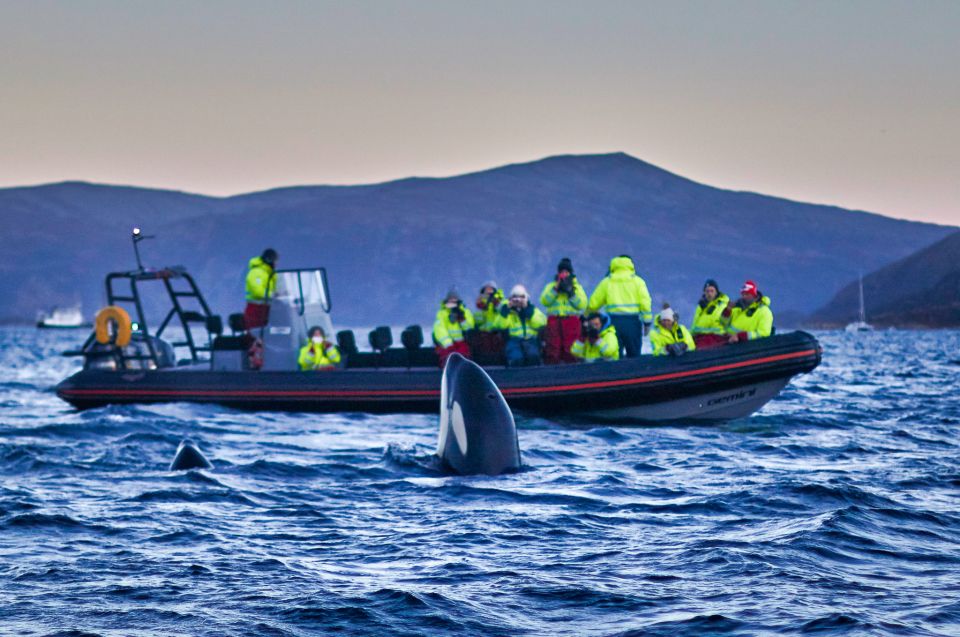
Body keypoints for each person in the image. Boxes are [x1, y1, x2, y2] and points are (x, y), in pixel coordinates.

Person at [587, 255, 652, 358]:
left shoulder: (607, 282)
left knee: (615, 355)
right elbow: (646, 304)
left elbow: (593, 304)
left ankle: (617, 374)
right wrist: (647, 323)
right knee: (634, 355)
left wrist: (588, 318)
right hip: (633, 323)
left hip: (613, 322)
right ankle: (636, 373)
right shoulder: (638, 282)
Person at [540, 257, 588, 364]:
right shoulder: (551, 286)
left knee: (571, 350)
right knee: (553, 349)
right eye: (562, 272)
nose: (564, 274)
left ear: (570, 273)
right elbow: (544, 301)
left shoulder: (577, 287)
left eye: (566, 272)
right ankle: (552, 372)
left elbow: (582, 304)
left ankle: (572, 371)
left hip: (571, 322)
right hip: (554, 322)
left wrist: (570, 292)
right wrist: (555, 290)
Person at [498, 284, 547, 367]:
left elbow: (541, 323)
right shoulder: (507, 312)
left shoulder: (532, 309)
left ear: (526, 298)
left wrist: (528, 312)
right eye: (515, 297)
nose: (518, 300)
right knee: (516, 359)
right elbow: (501, 326)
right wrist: (505, 312)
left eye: (522, 297)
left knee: (533, 357)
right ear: (510, 299)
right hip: (514, 341)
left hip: (531, 341)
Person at [432, 289, 475, 367]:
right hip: (447, 345)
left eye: (454, 301)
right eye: (450, 301)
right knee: (447, 358)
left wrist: (462, 320)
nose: (452, 303)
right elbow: (439, 330)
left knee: (465, 358)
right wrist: (448, 344)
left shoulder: (465, 312)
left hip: (462, 343)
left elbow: (469, 328)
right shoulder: (441, 314)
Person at [471, 281, 506, 365]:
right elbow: (472, 324)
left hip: (498, 337)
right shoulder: (477, 310)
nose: (489, 293)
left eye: (491, 291)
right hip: (483, 338)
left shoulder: (502, 307)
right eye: (486, 291)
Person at [690, 279, 730, 350]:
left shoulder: (724, 305)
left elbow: (727, 323)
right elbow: (694, 326)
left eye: (712, 291)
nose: (709, 294)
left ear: (716, 292)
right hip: (700, 340)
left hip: (717, 340)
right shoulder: (700, 307)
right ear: (704, 292)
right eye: (707, 291)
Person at [244, 248, 278, 330]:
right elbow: (257, 291)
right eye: (275, 260)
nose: (276, 263)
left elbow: (274, 289)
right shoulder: (256, 272)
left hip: (268, 310)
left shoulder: (270, 273)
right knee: (255, 337)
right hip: (256, 310)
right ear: (270, 260)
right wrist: (273, 295)